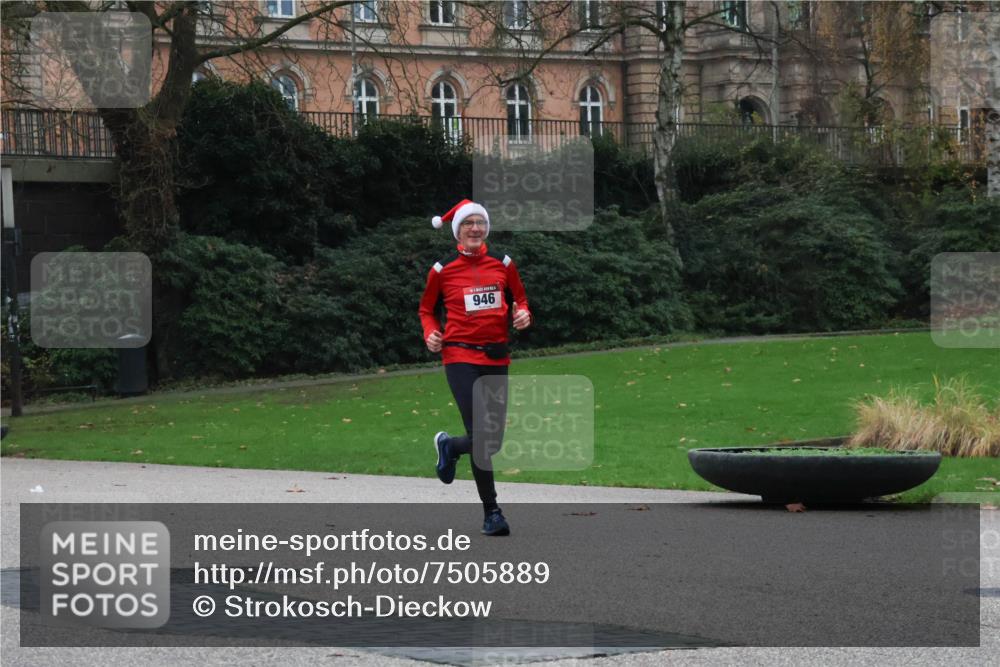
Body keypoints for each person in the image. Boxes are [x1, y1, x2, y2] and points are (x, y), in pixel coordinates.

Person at [418, 199, 532, 536]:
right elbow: (426, 310)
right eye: (468, 223)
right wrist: (430, 333)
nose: (475, 228)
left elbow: (520, 299)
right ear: (458, 231)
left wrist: (523, 314)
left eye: (480, 222)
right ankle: (492, 512)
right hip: (460, 357)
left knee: (492, 441)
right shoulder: (442, 270)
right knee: (482, 437)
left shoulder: (503, 264)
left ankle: (451, 446)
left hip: (496, 357)